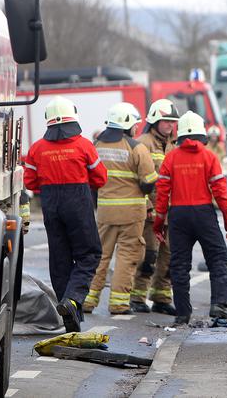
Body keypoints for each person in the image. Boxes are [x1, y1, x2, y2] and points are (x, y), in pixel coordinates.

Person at [23, 96, 107, 332]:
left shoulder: (37, 149)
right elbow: (100, 178)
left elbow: (30, 181)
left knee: (60, 260)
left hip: (51, 204)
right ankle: (72, 301)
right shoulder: (84, 146)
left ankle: (69, 314)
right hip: (78, 202)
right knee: (89, 254)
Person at [155, 111, 227, 325]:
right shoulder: (209, 157)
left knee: (179, 264)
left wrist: (158, 222)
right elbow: (220, 192)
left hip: (178, 216)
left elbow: (162, 193)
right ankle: (218, 304)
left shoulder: (171, 157)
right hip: (203, 213)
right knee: (217, 259)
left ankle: (182, 313)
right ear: (202, 133)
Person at [84, 103, 157, 315]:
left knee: (101, 256)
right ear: (127, 124)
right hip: (131, 214)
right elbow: (149, 182)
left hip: (105, 212)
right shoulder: (136, 148)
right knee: (127, 256)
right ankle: (118, 303)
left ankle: (88, 300)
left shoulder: (96, 145)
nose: (136, 128)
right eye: (134, 124)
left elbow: (91, 179)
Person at [131, 99, 179, 315]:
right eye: (166, 121)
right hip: (151, 212)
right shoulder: (142, 143)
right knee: (149, 255)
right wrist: (148, 205)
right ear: (154, 121)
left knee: (169, 257)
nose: (170, 125)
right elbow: (136, 181)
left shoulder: (175, 144)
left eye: (172, 122)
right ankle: (138, 297)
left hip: (172, 211)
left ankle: (161, 297)